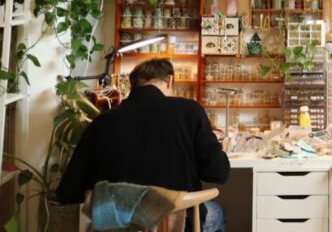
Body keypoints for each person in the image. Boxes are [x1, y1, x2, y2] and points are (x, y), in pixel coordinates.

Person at [57, 58, 230, 232]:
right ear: (169, 80)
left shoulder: (102, 122)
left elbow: (67, 192)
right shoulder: (189, 110)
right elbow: (218, 173)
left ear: (133, 85)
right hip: (173, 225)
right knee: (216, 212)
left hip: (118, 227)